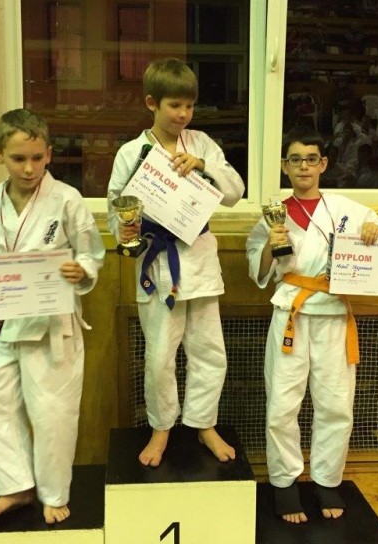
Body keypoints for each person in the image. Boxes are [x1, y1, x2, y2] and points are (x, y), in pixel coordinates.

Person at [0, 109, 105, 524]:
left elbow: (91, 252)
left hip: (51, 324)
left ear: (49, 153)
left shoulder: (66, 199)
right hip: (4, 319)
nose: (29, 168)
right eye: (18, 159)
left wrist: (82, 269)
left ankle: (53, 492)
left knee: (51, 411)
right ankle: (15, 487)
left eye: (36, 157)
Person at [246, 125, 378, 524]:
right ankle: (284, 483)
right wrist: (271, 245)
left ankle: (327, 479)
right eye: (295, 160)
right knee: (282, 404)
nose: (304, 167)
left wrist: (375, 230)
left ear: (323, 164)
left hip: (333, 314)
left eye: (311, 159)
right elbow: (258, 271)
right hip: (290, 312)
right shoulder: (272, 215)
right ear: (284, 166)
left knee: (335, 403)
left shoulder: (346, 209)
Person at [107, 58, 245, 467]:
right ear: (152, 103)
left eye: (189, 105)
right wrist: (124, 229)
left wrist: (204, 166)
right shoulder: (131, 153)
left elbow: (235, 192)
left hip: (198, 261)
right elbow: (117, 206)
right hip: (157, 262)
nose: (183, 114)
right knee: (159, 356)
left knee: (209, 351)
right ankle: (161, 427)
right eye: (174, 105)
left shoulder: (201, 144)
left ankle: (203, 424)